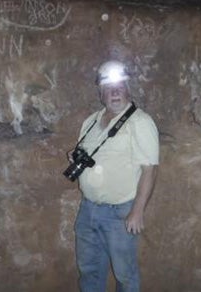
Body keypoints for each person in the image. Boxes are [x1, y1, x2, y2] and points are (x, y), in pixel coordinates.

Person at [69, 60, 159, 292]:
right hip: (88, 209)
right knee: (89, 270)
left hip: (120, 213)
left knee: (125, 275)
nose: (115, 92)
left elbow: (150, 169)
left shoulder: (140, 122)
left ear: (128, 89)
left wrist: (137, 212)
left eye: (120, 86)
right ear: (101, 93)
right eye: (109, 88)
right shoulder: (90, 121)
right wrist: (75, 156)